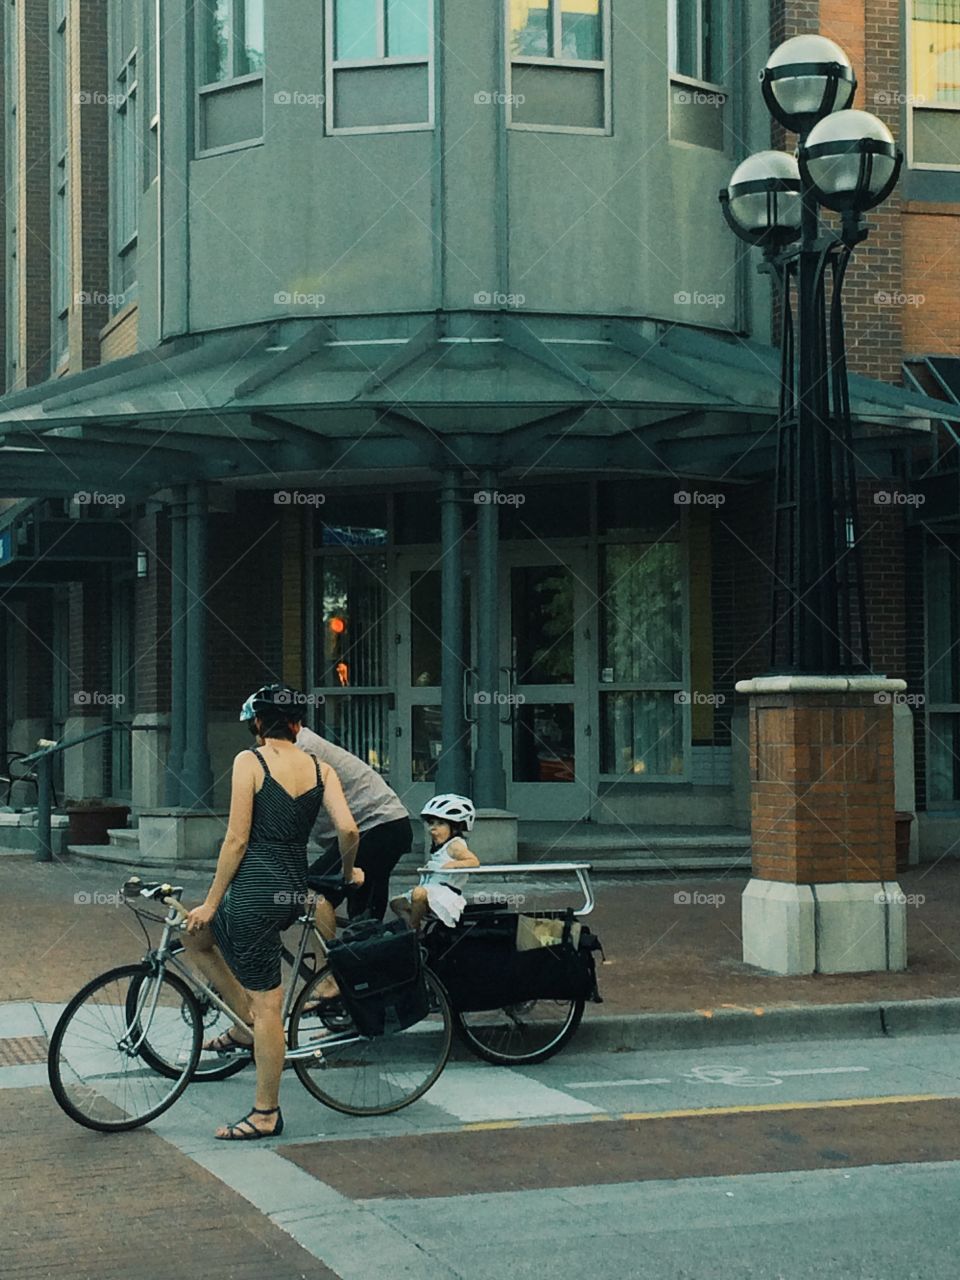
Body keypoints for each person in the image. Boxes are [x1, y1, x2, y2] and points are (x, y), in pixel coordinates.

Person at [184, 685, 361, 1140]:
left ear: (259, 723)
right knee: (196, 936)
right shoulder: (322, 770)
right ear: (298, 725)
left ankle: (265, 1112)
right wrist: (348, 872)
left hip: (253, 889)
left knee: (267, 1004)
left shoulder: (251, 761)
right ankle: (246, 1025)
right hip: (290, 886)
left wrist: (211, 899)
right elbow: (348, 827)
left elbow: (237, 840)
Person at [239, 686, 413, 927]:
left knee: (314, 895)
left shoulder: (298, 751)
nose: (256, 739)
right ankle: (368, 954)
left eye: (254, 728)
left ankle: (331, 961)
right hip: (386, 826)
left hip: (376, 827)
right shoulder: (300, 744)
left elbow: (282, 817)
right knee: (363, 918)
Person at [392, 794, 479, 931]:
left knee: (418, 893)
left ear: (454, 827)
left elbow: (473, 861)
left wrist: (454, 865)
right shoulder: (440, 847)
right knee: (396, 903)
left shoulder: (455, 845)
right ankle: (414, 928)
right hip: (432, 889)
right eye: (431, 823)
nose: (433, 828)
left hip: (445, 893)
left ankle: (414, 929)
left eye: (440, 823)